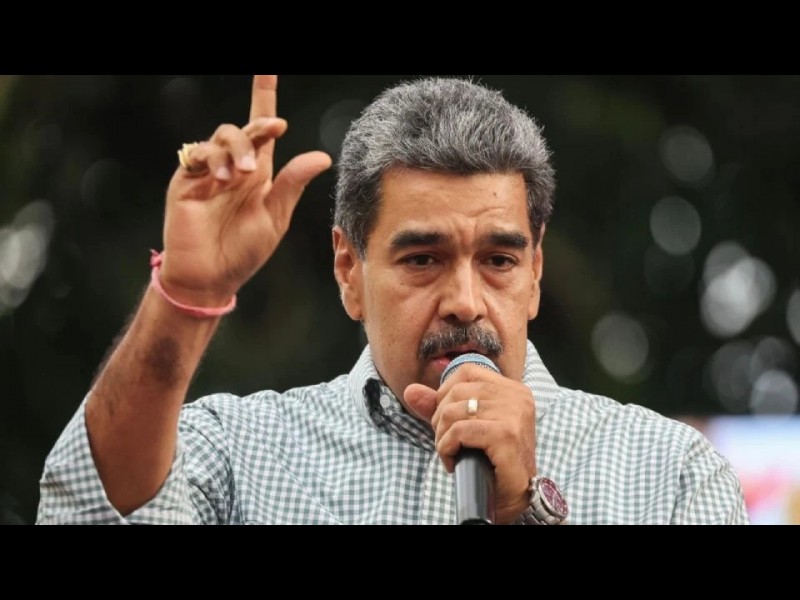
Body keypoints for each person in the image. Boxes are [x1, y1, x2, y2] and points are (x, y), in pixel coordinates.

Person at [36, 75, 749, 525]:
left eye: (498, 260)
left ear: (535, 273)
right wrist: (187, 295)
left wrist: (521, 512)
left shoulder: (670, 473)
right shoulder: (240, 451)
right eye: (422, 259)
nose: (464, 301)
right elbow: (93, 507)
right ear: (349, 269)